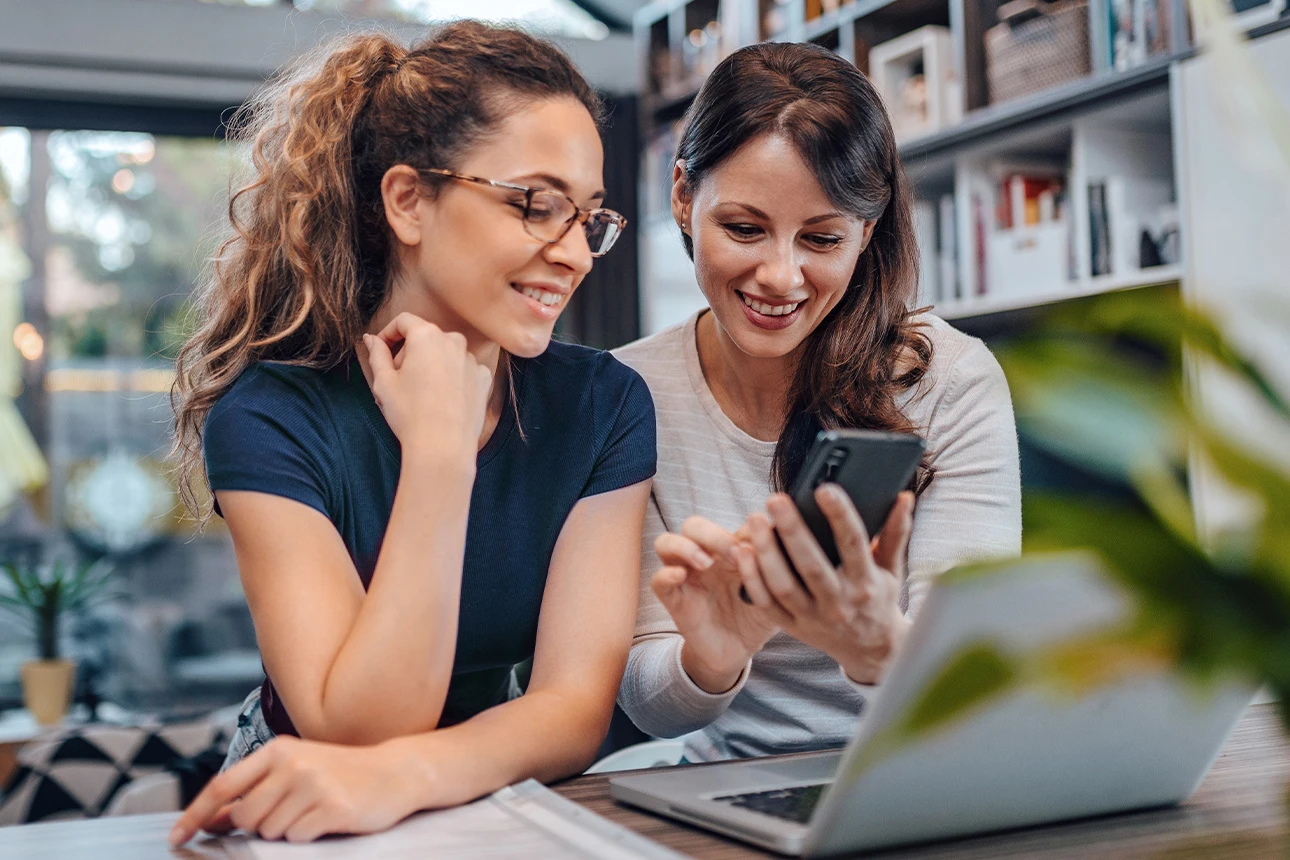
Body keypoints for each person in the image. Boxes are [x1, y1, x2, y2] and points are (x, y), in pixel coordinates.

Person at [167, 21, 654, 844]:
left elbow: (572, 711)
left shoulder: (602, 405)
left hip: (488, 791)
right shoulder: (272, 417)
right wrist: (438, 457)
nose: (574, 253)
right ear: (407, 200)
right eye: (537, 204)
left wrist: (416, 775)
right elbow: (354, 735)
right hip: (312, 812)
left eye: (589, 218)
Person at [613, 41, 1022, 762]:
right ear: (683, 196)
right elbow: (649, 706)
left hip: (922, 772)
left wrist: (877, 647)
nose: (780, 276)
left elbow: (975, 693)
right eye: (744, 228)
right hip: (725, 785)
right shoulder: (626, 396)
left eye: (822, 237)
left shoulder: (950, 381)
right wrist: (712, 654)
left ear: (867, 230)